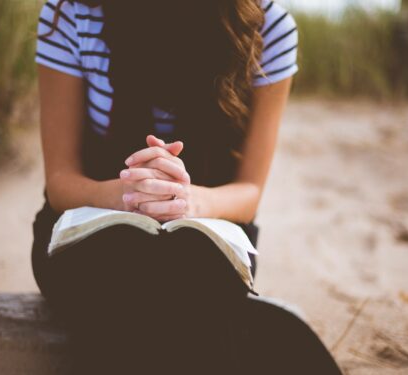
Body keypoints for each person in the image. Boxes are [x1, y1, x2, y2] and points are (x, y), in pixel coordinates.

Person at [31, 0, 343, 373]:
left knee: (190, 273)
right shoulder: (72, 13)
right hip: (88, 227)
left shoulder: (268, 28)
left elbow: (249, 193)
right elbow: (61, 183)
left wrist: (187, 201)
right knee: (125, 277)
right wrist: (129, 194)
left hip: (209, 233)